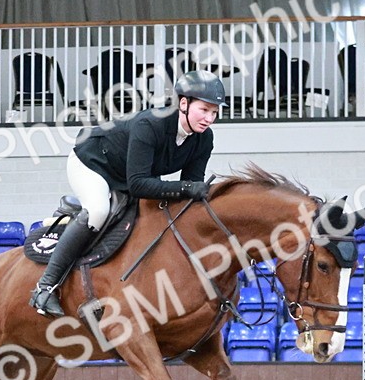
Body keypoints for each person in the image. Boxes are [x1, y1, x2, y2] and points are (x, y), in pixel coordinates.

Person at [28, 70, 227, 318]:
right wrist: (188, 189)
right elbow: (139, 185)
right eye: (204, 110)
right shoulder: (150, 125)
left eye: (214, 112)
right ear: (184, 104)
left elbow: (190, 187)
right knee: (99, 211)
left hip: (132, 174)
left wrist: (194, 193)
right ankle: (45, 287)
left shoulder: (203, 139)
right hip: (93, 163)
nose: (209, 118)